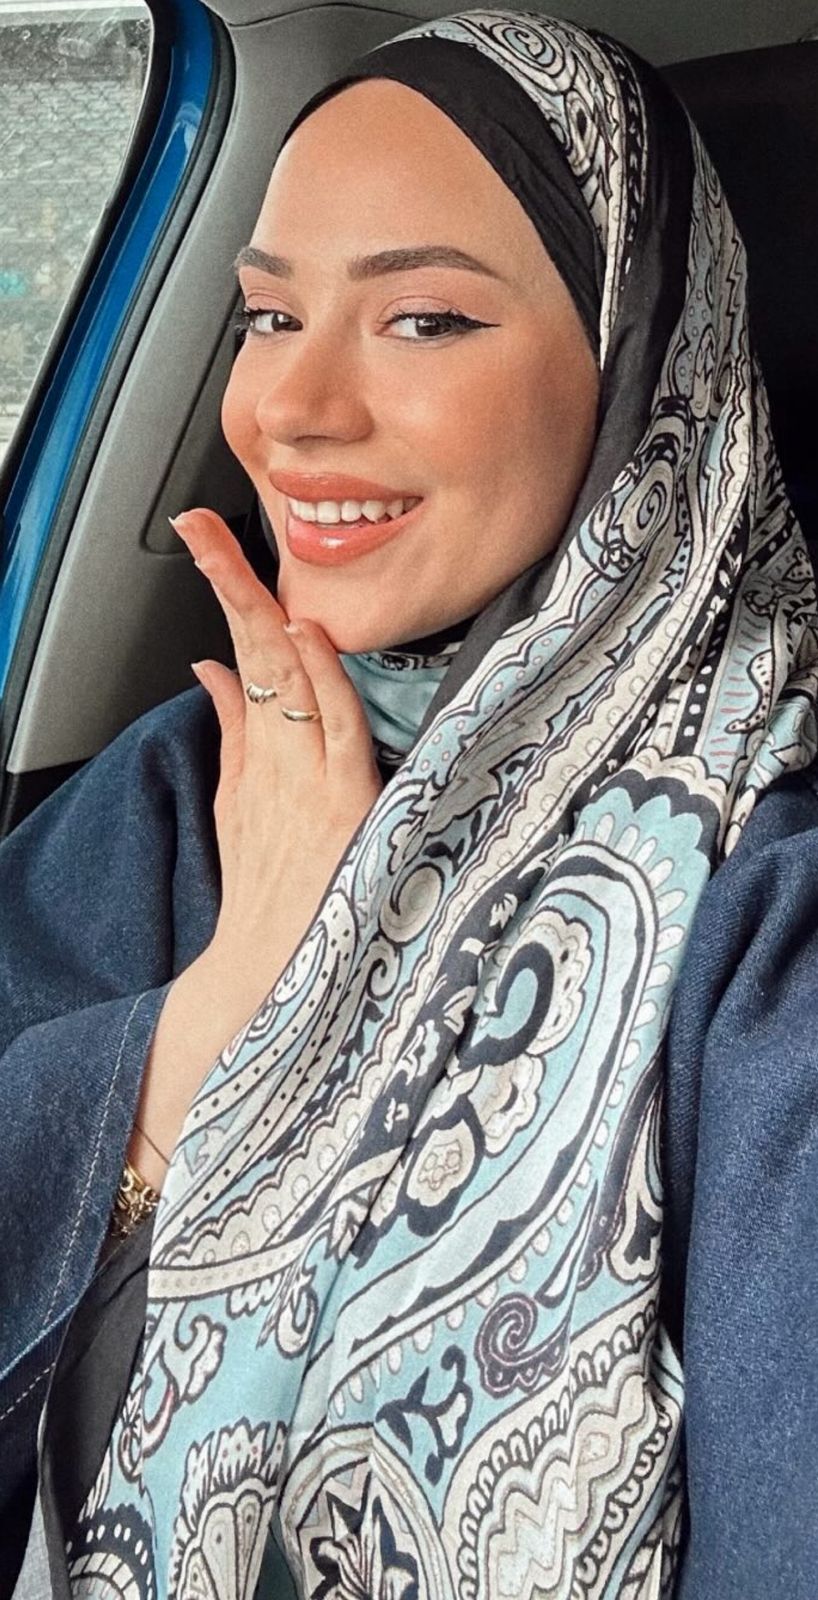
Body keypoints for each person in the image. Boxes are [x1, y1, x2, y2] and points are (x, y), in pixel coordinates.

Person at [2, 8, 818, 1598]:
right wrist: (209, 1025)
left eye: (424, 319)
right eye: (264, 316)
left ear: (643, 361)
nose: (287, 409)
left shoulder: (763, 898)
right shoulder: (188, 784)